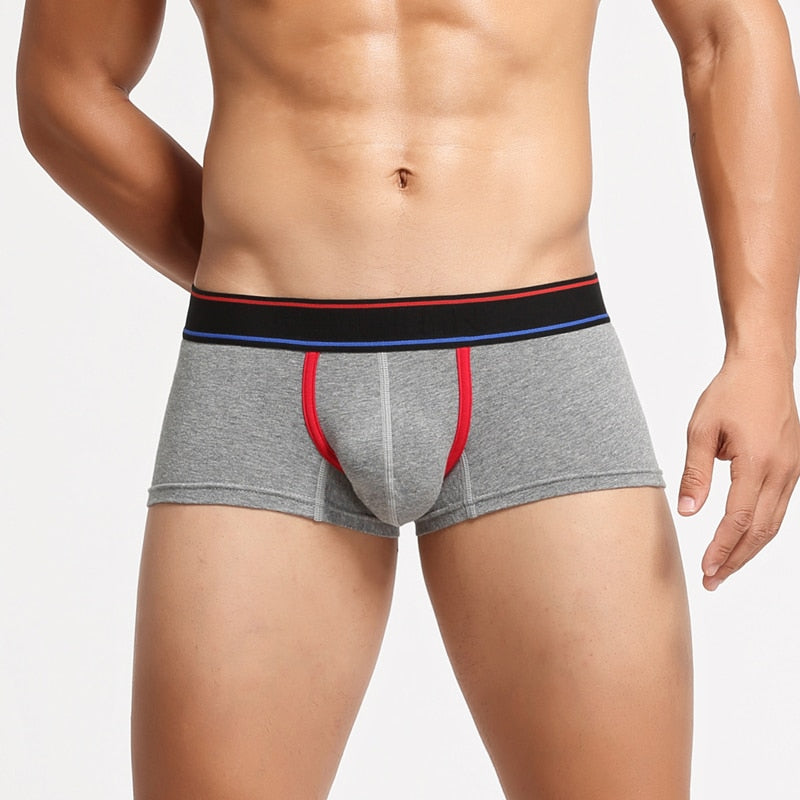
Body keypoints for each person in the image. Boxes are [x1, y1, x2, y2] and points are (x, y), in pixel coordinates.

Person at [15, 0, 800, 797]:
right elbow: (66, 82)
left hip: (536, 356)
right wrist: (249, 264)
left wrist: (764, 352)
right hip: (262, 368)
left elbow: (725, 29)